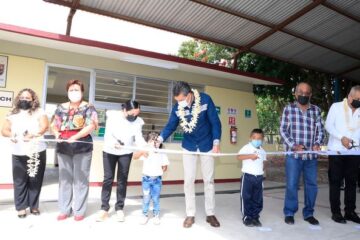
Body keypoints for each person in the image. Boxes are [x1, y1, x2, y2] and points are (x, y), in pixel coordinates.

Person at [157, 81, 222, 228]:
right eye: (176, 100)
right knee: (188, 180)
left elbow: (215, 123)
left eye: (180, 100)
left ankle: (210, 213)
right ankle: (190, 214)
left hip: (207, 144)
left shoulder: (205, 100)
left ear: (189, 95)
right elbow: (171, 125)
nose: (178, 103)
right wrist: (159, 139)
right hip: (189, 145)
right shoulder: (177, 107)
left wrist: (216, 143)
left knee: (209, 180)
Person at [52, 79, 98, 221]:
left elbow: (92, 125)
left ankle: (79, 210)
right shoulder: (61, 107)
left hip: (82, 146)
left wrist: (76, 136)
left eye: (76, 90)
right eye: (71, 90)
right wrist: (57, 134)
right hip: (63, 147)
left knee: (80, 179)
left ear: (82, 92)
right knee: (64, 179)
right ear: (67, 92)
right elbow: (54, 124)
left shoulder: (88, 107)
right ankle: (64, 209)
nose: (73, 92)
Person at [280, 82, 324, 226]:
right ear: (295, 94)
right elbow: (283, 131)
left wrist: (317, 143)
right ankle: (289, 212)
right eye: (301, 92)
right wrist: (294, 145)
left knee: (311, 185)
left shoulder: (316, 110)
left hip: (311, 157)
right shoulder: (288, 109)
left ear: (310, 95)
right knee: (292, 185)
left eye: (307, 93)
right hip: (294, 156)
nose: (304, 95)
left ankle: (309, 213)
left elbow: (320, 131)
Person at [96, 100, 147, 222]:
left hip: (126, 152)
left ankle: (119, 207)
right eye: (132, 113)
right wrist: (114, 143)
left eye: (137, 114)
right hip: (109, 150)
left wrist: (145, 147)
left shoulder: (138, 122)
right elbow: (107, 135)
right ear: (124, 110)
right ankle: (104, 208)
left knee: (122, 180)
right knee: (108, 179)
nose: (134, 116)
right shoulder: (113, 116)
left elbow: (138, 137)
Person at [1, 88, 49, 218]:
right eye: (22, 97)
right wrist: (12, 135)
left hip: (36, 151)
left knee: (35, 180)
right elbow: (4, 130)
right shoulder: (12, 113)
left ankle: (34, 206)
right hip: (18, 152)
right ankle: (21, 207)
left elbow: (44, 126)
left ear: (33, 100)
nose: (24, 100)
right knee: (19, 181)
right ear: (18, 99)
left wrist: (35, 134)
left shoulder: (39, 111)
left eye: (27, 98)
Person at [325, 85, 360, 224]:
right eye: (357, 99)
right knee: (335, 182)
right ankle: (336, 212)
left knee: (351, 182)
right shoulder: (336, 107)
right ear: (350, 96)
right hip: (336, 150)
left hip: (355, 152)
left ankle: (350, 211)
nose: (359, 101)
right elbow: (328, 125)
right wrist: (341, 137)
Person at [133, 132, 169, 225]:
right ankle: (144, 215)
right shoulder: (145, 152)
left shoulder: (162, 152)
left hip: (157, 180)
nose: (155, 143)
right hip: (146, 179)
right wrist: (142, 150)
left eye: (157, 141)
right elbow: (135, 157)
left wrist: (164, 166)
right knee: (146, 198)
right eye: (153, 140)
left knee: (156, 198)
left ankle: (156, 215)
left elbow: (165, 167)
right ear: (148, 142)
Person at [237, 129, 266, 227]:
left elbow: (263, 163)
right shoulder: (247, 147)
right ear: (250, 138)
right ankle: (247, 217)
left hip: (259, 177)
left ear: (262, 140)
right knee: (246, 197)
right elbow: (239, 157)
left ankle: (255, 217)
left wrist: (262, 171)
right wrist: (250, 156)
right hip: (248, 177)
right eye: (254, 138)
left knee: (258, 198)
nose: (257, 140)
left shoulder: (263, 151)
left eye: (259, 138)